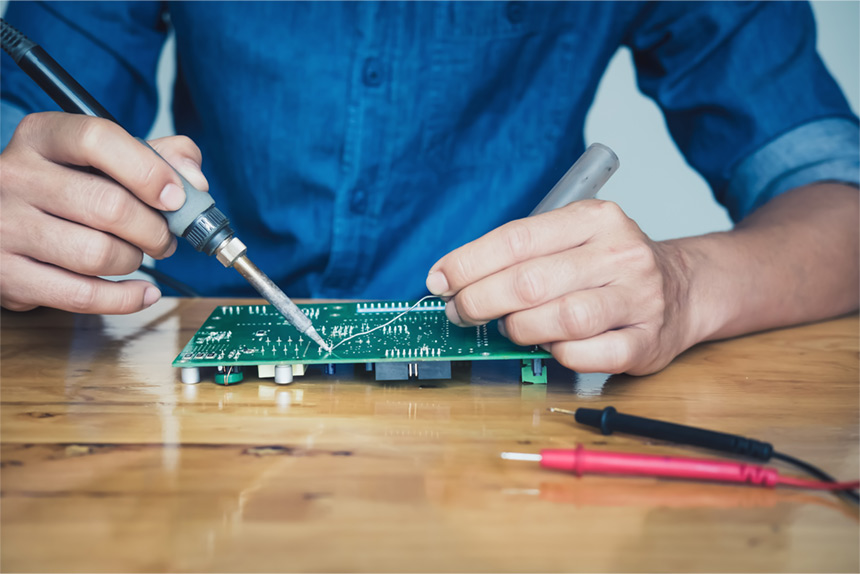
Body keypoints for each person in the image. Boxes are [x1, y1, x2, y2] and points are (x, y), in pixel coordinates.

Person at [1, 1, 857, 375]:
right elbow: (27, 120)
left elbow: (836, 199)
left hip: (508, 412)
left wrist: (686, 284)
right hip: (182, 408)